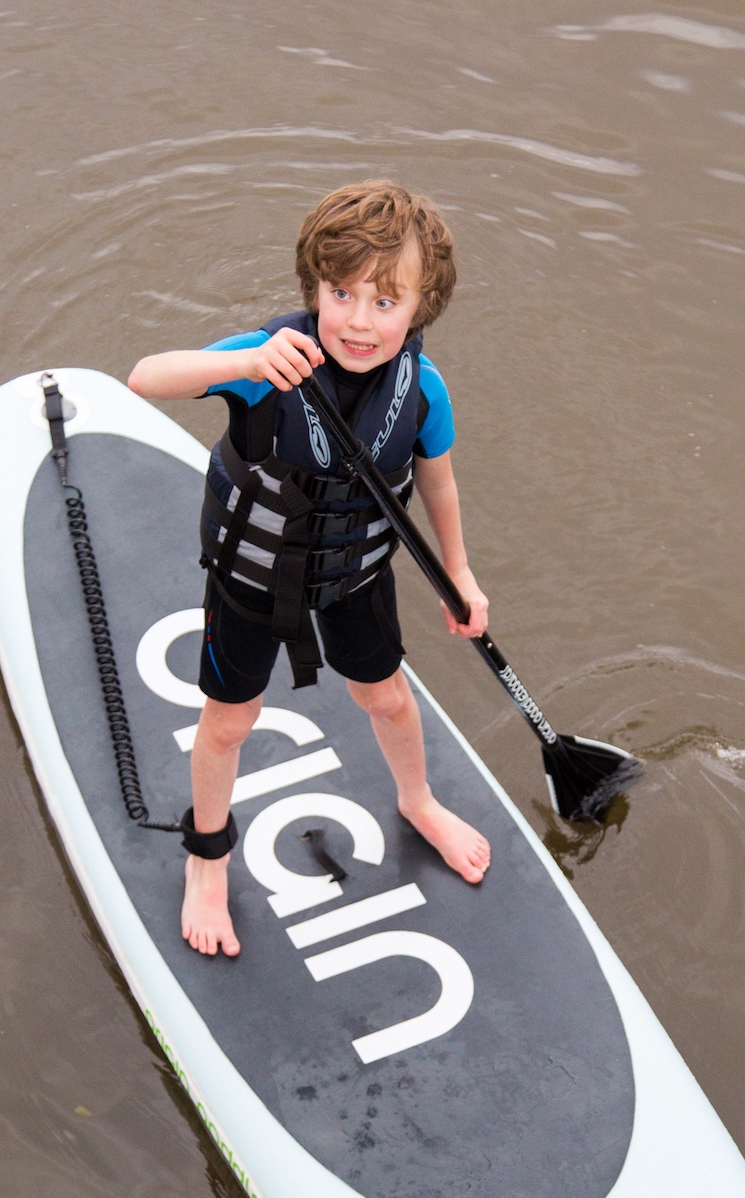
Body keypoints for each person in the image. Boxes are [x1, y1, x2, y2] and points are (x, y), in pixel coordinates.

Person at [128, 180, 491, 958]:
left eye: (385, 301)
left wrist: (458, 573)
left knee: (389, 699)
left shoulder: (423, 390)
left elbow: (438, 481)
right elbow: (145, 376)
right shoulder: (268, 362)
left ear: (421, 307)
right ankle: (206, 857)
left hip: (355, 576)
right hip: (251, 579)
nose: (359, 320)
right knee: (228, 723)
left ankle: (418, 799)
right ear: (314, 287)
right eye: (341, 293)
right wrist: (251, 358)